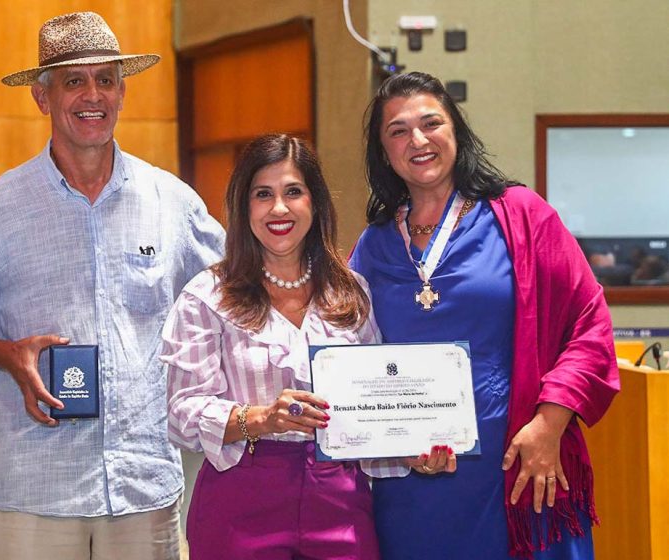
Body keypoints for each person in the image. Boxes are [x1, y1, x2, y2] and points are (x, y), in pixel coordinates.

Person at [0, 12, 224, 560]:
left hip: (143, 483)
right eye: (73, 80)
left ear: (122, 93)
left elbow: (232, 290)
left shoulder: (171, 203)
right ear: (42, 97)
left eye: (105, 79)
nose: (92, 96)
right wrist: (7, 353)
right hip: (36, 484)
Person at [349, 72, 620, 559]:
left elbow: (589, 322)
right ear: (382, 150)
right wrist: (391, 443)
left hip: (521, 467)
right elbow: (351, 356)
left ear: (456, 130)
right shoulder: (372, 246)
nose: (418, 140)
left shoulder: (520, 215)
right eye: (398, 130)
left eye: (431, 123)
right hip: (415, 482)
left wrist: (550, 424)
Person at [162, 134, 398, 559]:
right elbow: (182, 413)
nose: (279, 209)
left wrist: (416, 446)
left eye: (293, 192)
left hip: (340, 501)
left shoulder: (352, 292)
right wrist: (263, 418)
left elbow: (375, 406)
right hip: (240, 498)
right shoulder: (207, 295)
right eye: (263, 194)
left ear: (315, 202)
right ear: (243, 206)